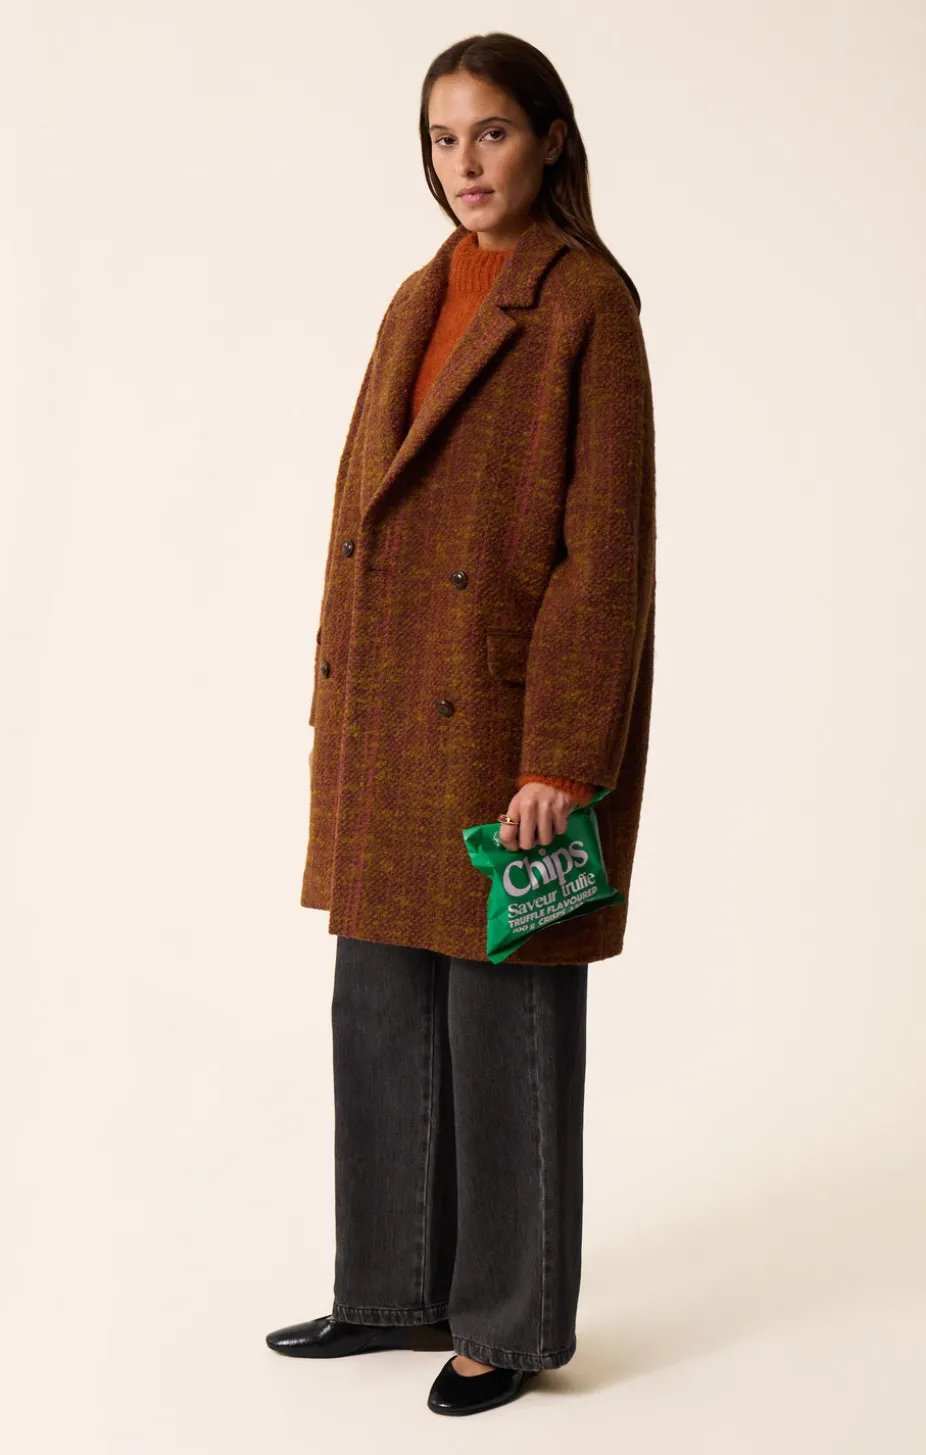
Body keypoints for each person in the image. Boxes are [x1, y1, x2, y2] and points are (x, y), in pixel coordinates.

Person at [266, 31, 656, 1418]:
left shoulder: (586, 302)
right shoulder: (420, 292)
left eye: (491, 132)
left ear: (549, 137)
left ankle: (508, 1321)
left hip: (501, 724)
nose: (465, 164)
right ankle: (390, 1289)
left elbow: (603, 554)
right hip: (392, 708)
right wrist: (336, 685)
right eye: (443, 138)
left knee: (506, 1026)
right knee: (377, 1008)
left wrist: (564, 752)